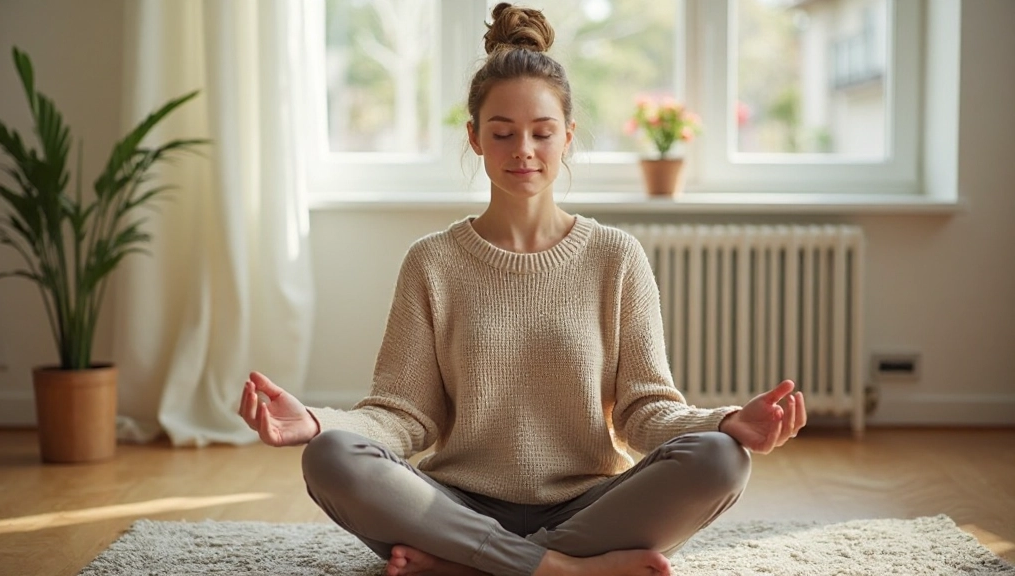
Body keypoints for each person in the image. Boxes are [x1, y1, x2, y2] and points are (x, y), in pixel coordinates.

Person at [239, 3, 806, 575]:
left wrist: (723, 422)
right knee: (332, 457)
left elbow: (645, 410)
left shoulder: (617, 257)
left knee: (721, 459)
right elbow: (404, 416)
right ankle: (562, 570)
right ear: (475, 137)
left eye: (542, 132)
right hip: (455, 506)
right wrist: (317, 423)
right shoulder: (432, 262)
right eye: (503, 133)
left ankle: (468, 566)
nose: (524, 150)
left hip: (587, 506)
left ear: (568, 137)